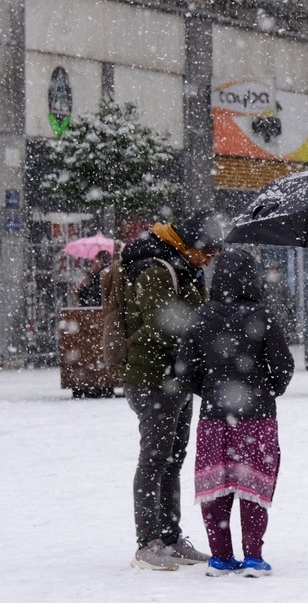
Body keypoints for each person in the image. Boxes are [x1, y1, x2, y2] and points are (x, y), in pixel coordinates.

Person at [174, 249, 294, 577]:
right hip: (258, 417)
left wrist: (210, 390)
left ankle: (220, 557)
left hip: (214, 417)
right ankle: (253, 557)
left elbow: (184, 369)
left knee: (217, 484)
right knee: (253, 483)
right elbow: (284, 366)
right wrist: (266, 390)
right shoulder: (262, 315)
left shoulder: (200, 316)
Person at [120, 210, 224, 571]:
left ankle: (170, 534)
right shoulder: (155, 269)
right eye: (207, 252)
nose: (209, 259)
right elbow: (164, 323)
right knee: (154, 459)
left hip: (176, 378)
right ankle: (147, 542)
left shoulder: (185, 267)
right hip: (151, 379)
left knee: (173, 459)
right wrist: (205, 326)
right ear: (188, 244)